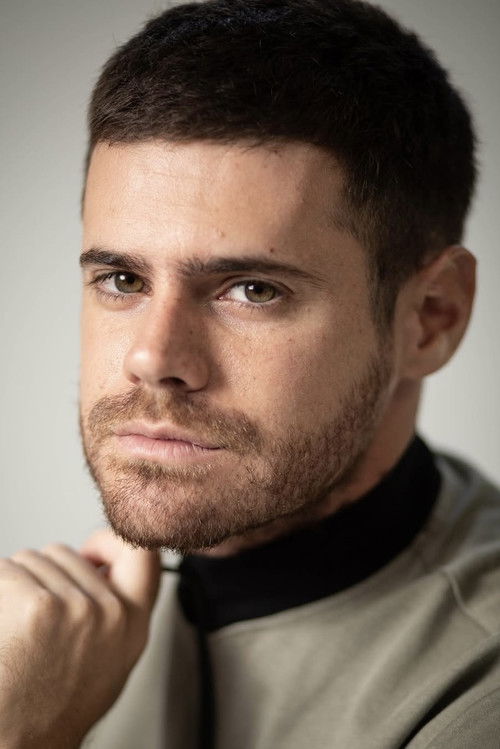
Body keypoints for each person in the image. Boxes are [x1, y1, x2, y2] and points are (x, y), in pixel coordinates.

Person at [1, 0, 499, 746]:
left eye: (253, 290)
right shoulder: (49, 646)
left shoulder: (476, 695)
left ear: (431, 316)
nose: (153, 359)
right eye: (123, 280)